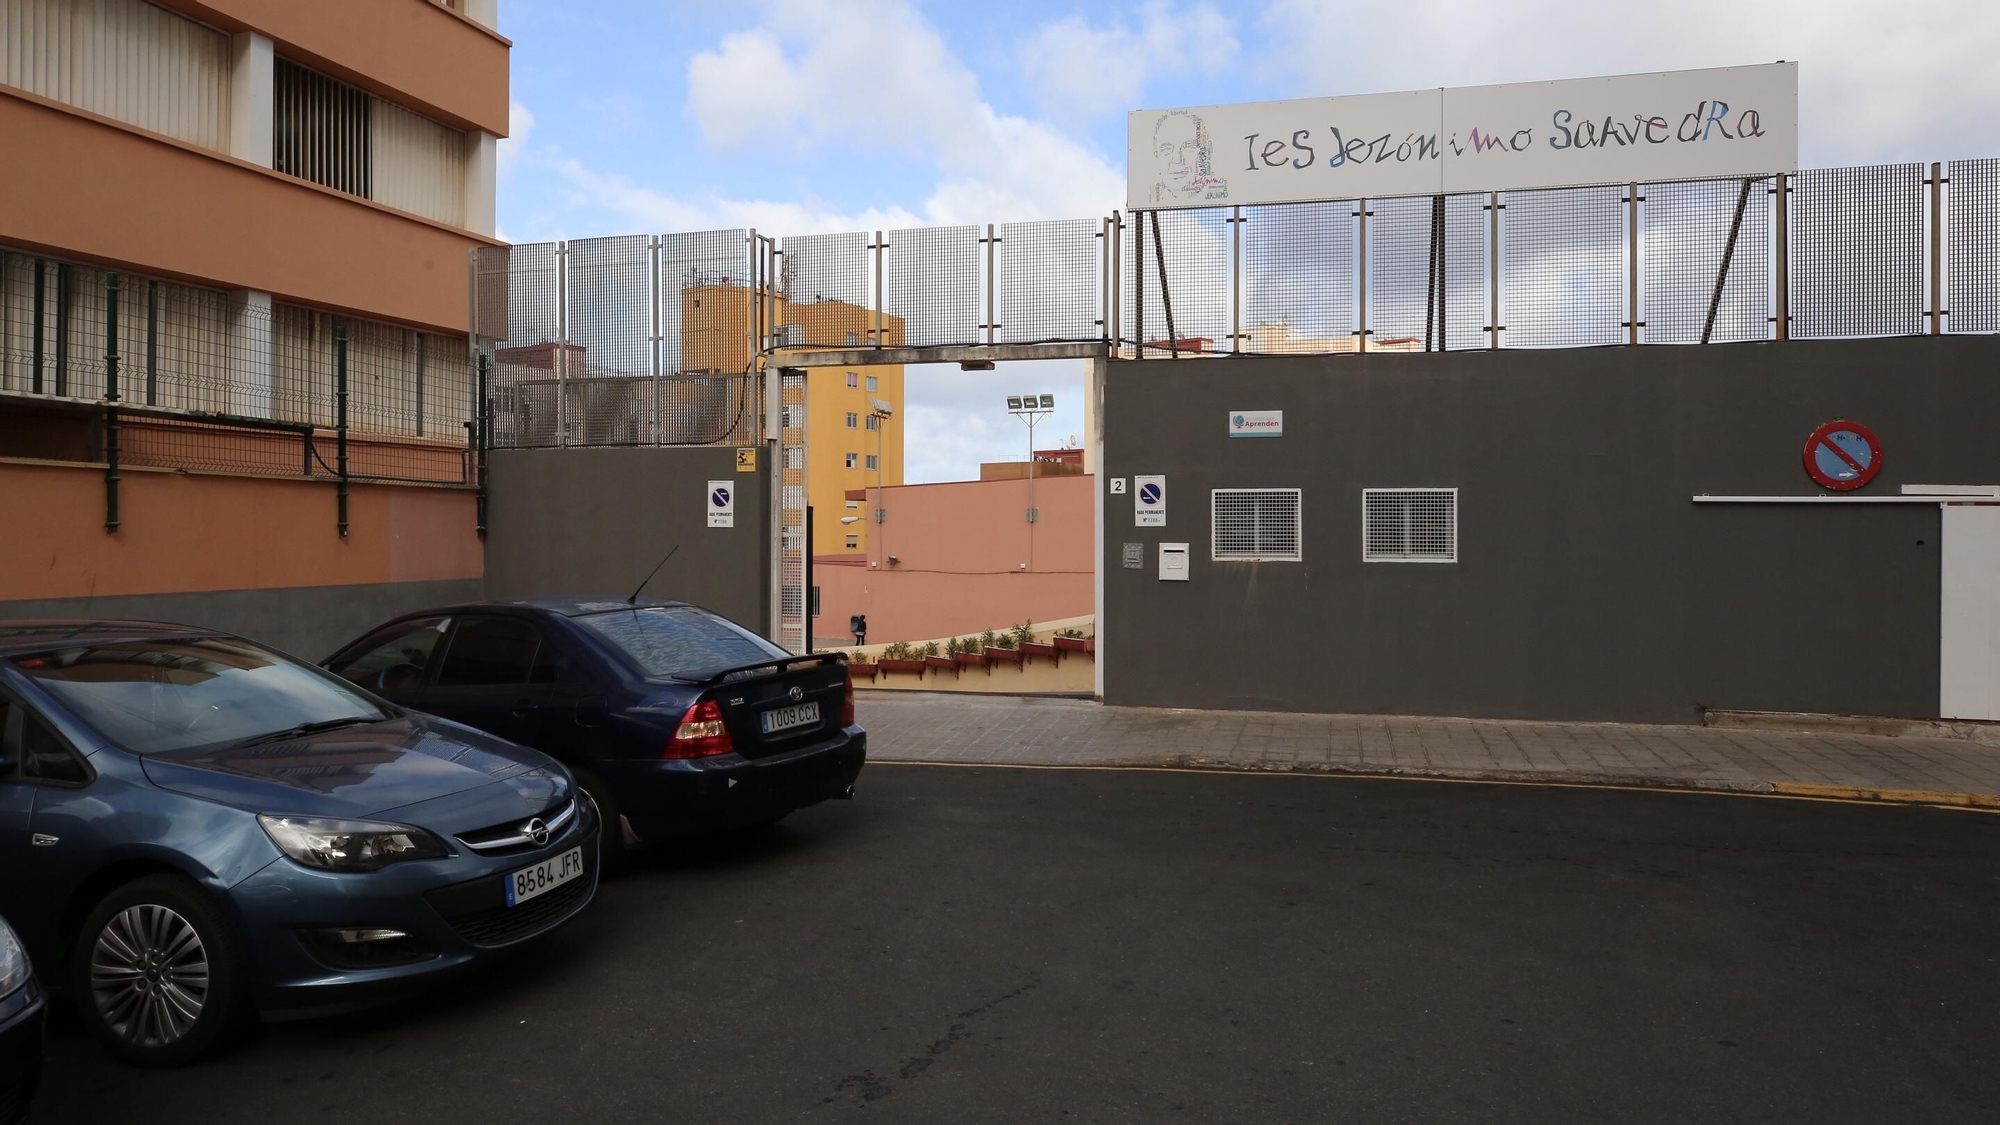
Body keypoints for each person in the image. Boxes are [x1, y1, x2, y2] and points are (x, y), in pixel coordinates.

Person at [1148, 109, 1227, 204]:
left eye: (1189, 147)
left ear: (1207, 151)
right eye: (1166, 150)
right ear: (1156, 156)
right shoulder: (1148, 197)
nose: (1177, 159)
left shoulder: (1218, 191)